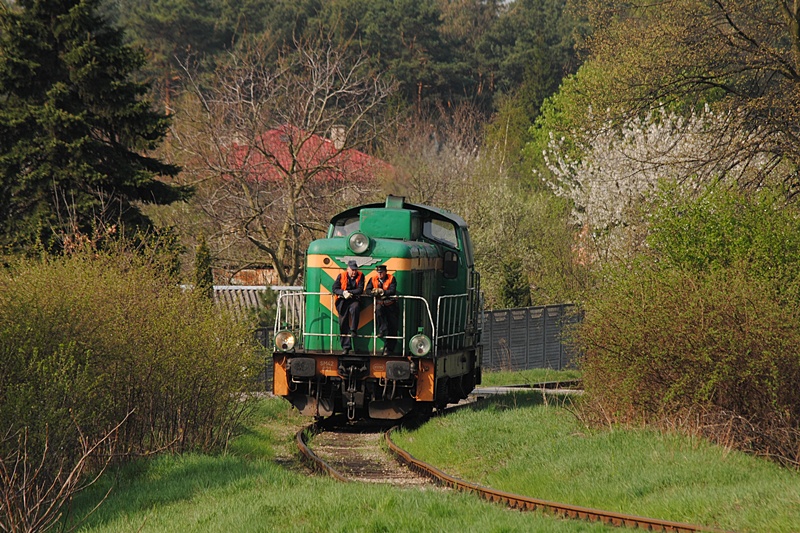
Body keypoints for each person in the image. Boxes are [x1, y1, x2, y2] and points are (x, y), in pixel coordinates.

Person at [332, 260, 364, 354]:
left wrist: (350, 293)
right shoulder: (341, 276)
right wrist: (343, 293)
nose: (354, 272)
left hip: (354, 299)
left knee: (355, 308)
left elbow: (360, 289)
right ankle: (346, 347)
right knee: (343, 322)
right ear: (348, 269)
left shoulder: (361, 275)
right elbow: (334, 288)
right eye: (352, 270)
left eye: (355, 270)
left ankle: (353, 330)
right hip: (342, 300)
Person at [365, 264, 398, 355]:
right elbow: (367, 290)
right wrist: (373, 292)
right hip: (380, 303)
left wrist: (383, 292)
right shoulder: (373, 279)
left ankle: (389, 349)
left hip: (391, 305)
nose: (380, 274)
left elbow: (392, 290)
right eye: (378, 272)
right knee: (378, 311)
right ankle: (382, 330)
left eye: (381, 272)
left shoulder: (391, 278)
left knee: (393, 326)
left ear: (385, 272)